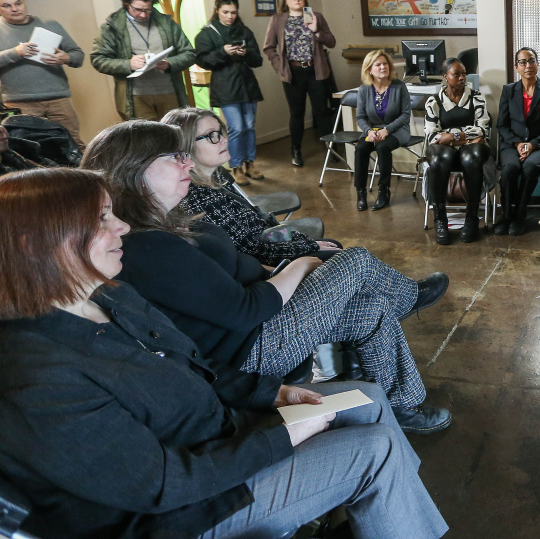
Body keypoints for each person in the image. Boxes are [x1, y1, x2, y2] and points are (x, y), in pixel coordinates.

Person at [0, 168, 448, 539]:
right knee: (376, 449)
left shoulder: (110, 297)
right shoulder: (36, 372)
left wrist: (273, 394)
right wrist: (280, 438)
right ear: (33, 244)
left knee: (368, 397)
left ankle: (387, 507)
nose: (121, 227)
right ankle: (386, 500)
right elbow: (160, 486)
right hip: (185, 511)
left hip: (220, 433)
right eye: (100, 220)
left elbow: (198, 365)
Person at [81, 120, 453, 433]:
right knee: (354, 260)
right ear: (134, 170)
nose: (186, 165)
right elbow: (242, 311)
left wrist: (276, 269)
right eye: (174, 157)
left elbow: (228, 270)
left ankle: (403, 406)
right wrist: (300, 265)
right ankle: (409, 298)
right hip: (253, 348)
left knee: (371, 307)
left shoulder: (170, 219)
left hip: (263, 320)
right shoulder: (147, 246)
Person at [162, 107, 345, 262]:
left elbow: (260, 228)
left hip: (267, 242)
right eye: (212, 136)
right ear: (185, 146)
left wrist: (300, 240)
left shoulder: (217, 178)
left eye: (221, 131)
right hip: (267, 267)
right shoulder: (200, 199)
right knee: (337, 252)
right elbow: (252, 253)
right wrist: (308, 246)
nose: (224, 139)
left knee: (332, 246)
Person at [91, 0, 195, 121]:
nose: (143, 15)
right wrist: (128, 64)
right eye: (137, 10)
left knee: (175, 136)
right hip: (136, 97)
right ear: (127, 4)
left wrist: (169, 63)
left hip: (170, 92)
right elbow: (98, 59)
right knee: (146, 140)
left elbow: (189, 53)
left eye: (147, 10)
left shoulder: (166, 24)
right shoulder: (112, 27)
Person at [0, 0, 86, 148]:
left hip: (58, 98)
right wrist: (15, 53)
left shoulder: (49, 25)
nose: (15, 9)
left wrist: (65, 57)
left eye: (18, 3)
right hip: (20, 102)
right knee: (30, 148)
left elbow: (78, 56)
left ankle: (80, 175)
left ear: (24, 3)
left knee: (73, 144)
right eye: (7, 5)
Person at [194, 0, 266, 186]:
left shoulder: (244, 31)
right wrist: (223, 52)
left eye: (233, 12)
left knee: (250, 127)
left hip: (248, 86)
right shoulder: (207, 33)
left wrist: (246, 53)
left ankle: (250, 165)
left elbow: (257, 61)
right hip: (225, 87)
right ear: (217, 10)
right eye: (226, 12)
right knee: (236, 128)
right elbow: (202, 61)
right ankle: (236, 168)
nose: (230, 16)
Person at [263, 0, 337, 167]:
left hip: (315, 71)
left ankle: (331, 148)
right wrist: (279, 66)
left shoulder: (315, 16)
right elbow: (269, 47)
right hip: (292, 73)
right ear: (286, 1)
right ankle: (295, 150)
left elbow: (332, 41)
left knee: (322, 111)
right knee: (297, 113)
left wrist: (316, 32)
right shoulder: (278, 19)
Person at [424, 56, 491, 245]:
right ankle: (440, 219)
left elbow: (483, 128)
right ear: (445, 76)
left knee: (472, 156)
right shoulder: (434, 101)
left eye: (464, 74)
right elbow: (432, 136)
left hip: (470, 152)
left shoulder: (476, 97)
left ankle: (471, 218)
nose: (462, 78)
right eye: (457, 74)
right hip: (447, 152)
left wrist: (451, 137)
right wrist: (465, 137)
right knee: (439, 158)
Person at [495, 47, 540, 236]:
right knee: (510, 169)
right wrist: (517, 144)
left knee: (530, 167)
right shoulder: (508, 90)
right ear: (516, 67)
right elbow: (502, 125)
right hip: (512, 145)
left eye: (531, 61)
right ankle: (506, 215)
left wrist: (532, 145)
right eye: (522, 62)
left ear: (537, 64)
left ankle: (519, 214)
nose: (528, 65)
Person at [354, 50, 412, 211]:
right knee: (361, 149)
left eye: (385, 64)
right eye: (378, 64)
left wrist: (387, 130)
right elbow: (360, 117)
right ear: (369, 69)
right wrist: (368, 132)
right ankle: (361, 193)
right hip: (372, 131)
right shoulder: (364, 89)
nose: (382, 67)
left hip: (397, 130)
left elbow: (405, 115)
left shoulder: (399, 87)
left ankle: (383, 191)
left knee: (383, 147)